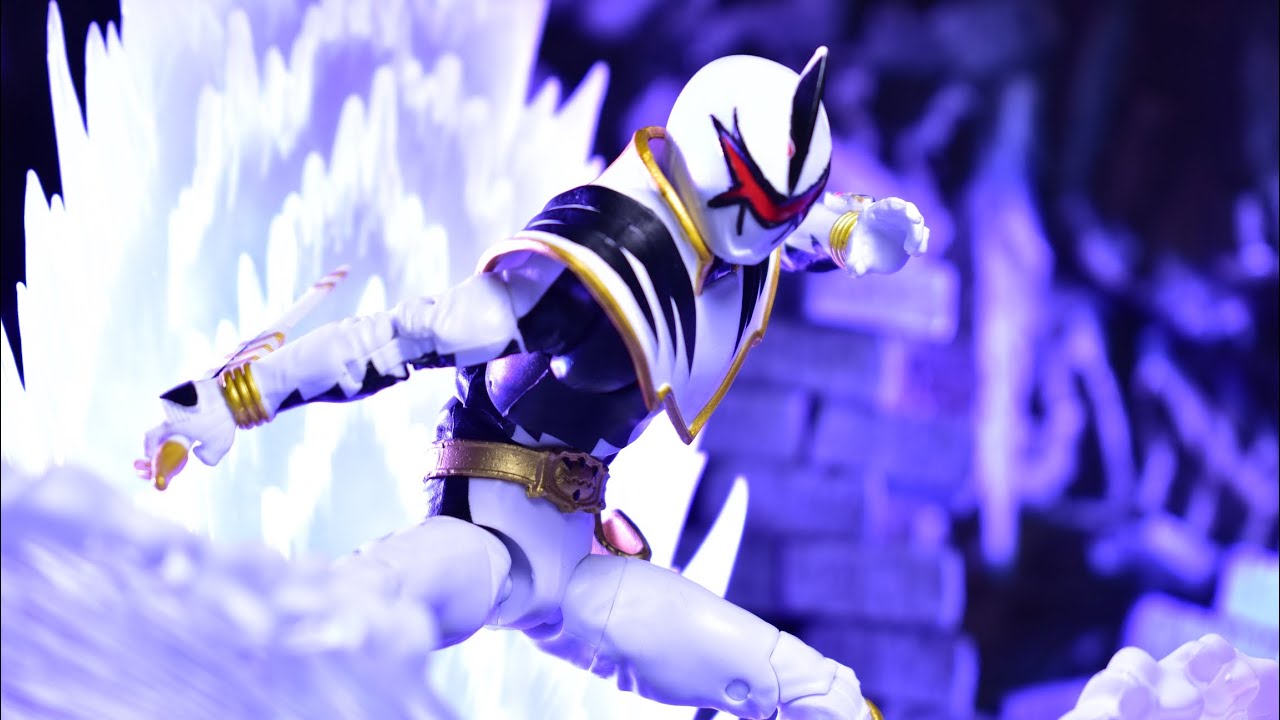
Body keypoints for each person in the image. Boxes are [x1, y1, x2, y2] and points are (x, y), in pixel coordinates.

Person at [141, 47, 927, 720]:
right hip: (482, 538)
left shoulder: (742, 246)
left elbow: (793, 223)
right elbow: (401, 337)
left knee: (821, 693)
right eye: (762, 202)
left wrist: (851, 228)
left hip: (582, 565)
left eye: (787, 209)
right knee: (342, 621)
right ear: (710, 164)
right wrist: (233, 397)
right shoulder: (583, 270)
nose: (776, 225)